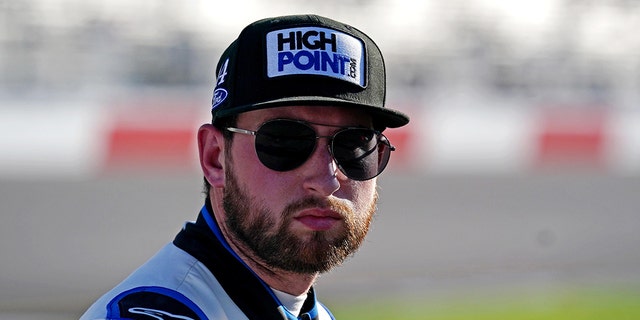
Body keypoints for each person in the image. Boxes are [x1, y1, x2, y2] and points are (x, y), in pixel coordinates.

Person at [80, 14, 409, 320]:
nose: (325, 180)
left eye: (354, 145)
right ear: (215, 158)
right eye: (284, 142)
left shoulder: (308, 312)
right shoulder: (156, 313)